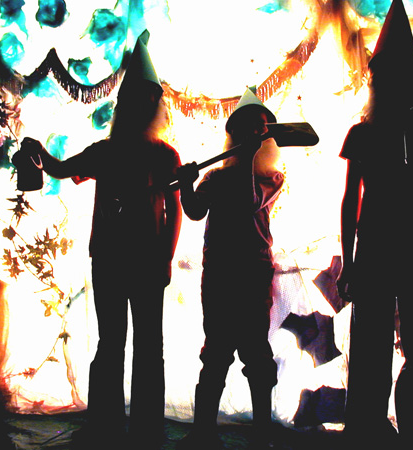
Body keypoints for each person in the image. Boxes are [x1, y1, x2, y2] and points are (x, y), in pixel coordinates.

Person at [16, 30, 181, 449]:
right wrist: (38, 152)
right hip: (108, 260)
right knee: (113, 342)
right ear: (129, 105)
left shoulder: (165, 156)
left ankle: (145, 427)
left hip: (147, 262)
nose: (142, 106)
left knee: (148, 345)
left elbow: (175, 210)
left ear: (154, 105)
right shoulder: (104, 152)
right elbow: (59, 168)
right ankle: (108, 424)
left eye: (148, 99)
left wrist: (166, 258)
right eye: (137, 99)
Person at [335, 1, 413, 449]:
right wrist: (348, 260)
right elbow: (350, 200)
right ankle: (368, 427)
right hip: (376, 245)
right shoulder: (362, 132)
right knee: (372, 341)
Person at [175, 88, 284, 450]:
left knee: (255, 352)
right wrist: (187, 183)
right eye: (248, 127)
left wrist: (249, 157)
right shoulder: (215, 177)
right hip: (219, 273)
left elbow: (250, 201)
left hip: (254, 274)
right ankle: (203, 431)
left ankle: (262, 435)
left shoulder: (272, 178)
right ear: (234, 134)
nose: (255, 132)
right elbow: (195, 210)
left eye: (261, 127)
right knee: (217, 350)